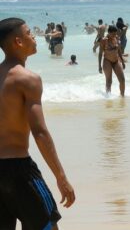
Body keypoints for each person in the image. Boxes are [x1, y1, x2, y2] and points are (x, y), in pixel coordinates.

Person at [0, 18, 76, 229]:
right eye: (28, 33)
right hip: (20, 171)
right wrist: (61, 177)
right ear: (18, 42)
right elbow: (40, 132)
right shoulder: (27, 79)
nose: (34, 36)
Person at [98, 26, 126, 97]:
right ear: (109, 33)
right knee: (109, 81)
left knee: (122, 79)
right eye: (113, 34)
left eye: (115, 34)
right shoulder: (104, 40)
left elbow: (119, 50)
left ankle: (122, 96)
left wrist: (122, 61)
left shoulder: (116, 38)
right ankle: (108, 97)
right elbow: (100, 53)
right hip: (107, 61)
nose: (114, 35)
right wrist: (99, 66)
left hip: (116, 61)